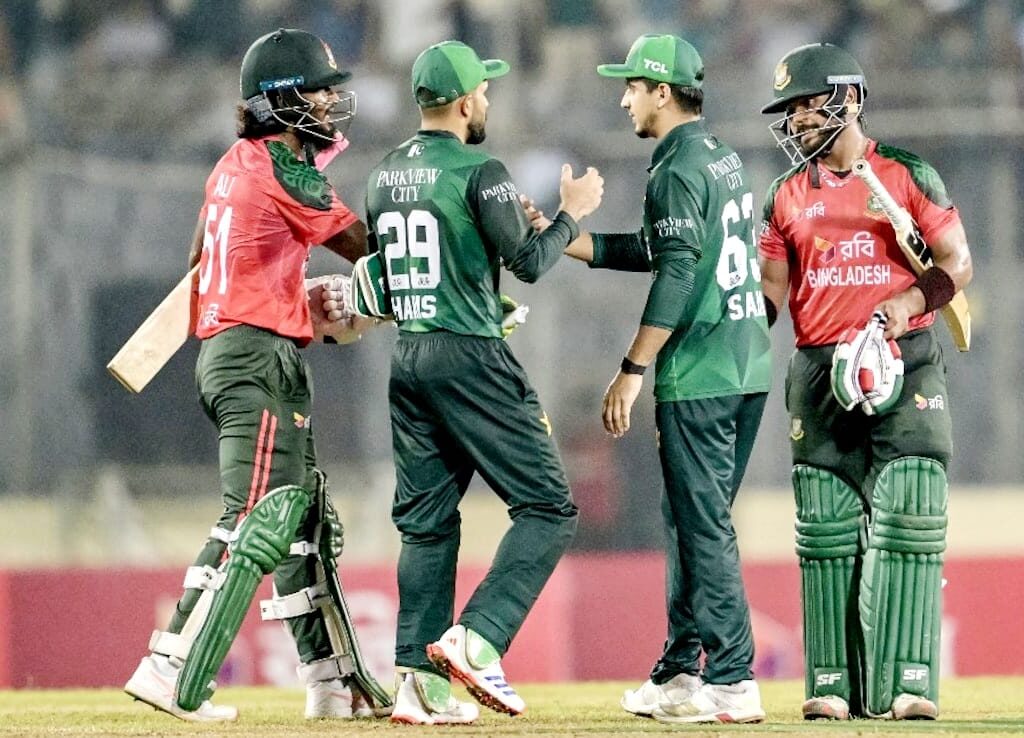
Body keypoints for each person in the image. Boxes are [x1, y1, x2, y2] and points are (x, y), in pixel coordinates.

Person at [123, 28, 382, 722]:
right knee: (251, 517)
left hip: (245, 350)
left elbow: (204, 266)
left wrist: (294, 299)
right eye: (318, 92)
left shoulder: (231, 165)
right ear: (282, 99)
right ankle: (170, 663)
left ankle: (328, 681)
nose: (330, 105)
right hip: (253, 358)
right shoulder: (283, 168)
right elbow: (368, 247)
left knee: (298, 524)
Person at [529, 33, 772, 724]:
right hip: (746, 362)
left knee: (702, 525)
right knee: (693, 521)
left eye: (633, 86)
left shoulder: (675, 168)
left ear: (663, 91)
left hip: (701, 371)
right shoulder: (718, 155)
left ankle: (732, 679)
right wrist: (570, 239)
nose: (624, 98)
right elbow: (663, 248)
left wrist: (632, 369)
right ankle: (679, 672)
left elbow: (677, 272)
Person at [362, 40, 603, 725]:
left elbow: (389, 276)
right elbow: (528, 262)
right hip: (469, 358)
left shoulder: (381, 175)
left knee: (426, 525)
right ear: (466, 101)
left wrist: (475, 296)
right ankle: (478, 638)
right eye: (485, 91)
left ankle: (418, 684)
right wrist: (572, 212)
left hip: (409, 356)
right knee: (549, 507)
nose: (489, 100)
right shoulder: (481, 169)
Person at [757, 42, 973, 721]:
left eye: (806, 105)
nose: (796, 121)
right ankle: (832, 683)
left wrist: (908, 302)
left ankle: (908, 683)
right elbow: (769, 294)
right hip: (819, 370)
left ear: (848, 99)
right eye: (790, 110)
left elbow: (957, 263)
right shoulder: (784, 194)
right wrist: (727, 331)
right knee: (825, 528)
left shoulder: (908, 173)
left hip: (904, 360)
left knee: (910, 512)